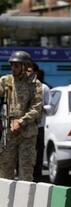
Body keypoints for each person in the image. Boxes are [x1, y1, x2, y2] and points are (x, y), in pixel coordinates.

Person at [0, 51, 42, 181]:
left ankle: (25, 201)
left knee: (26, 171)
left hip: (27, 133)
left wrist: (21, 122)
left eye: (17, 65)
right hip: (8, 132)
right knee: (5, 171)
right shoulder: (5, 81)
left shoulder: (35, 84)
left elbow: (37, 108)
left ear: (25, 66)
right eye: (12, 65)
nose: (13, 68)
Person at [33, 68, 51, 182]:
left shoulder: (44, 88)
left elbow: (50, 107)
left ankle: (37, 176)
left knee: (38, 151)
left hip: (39, 126)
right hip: (24, 126)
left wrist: (41, 107)